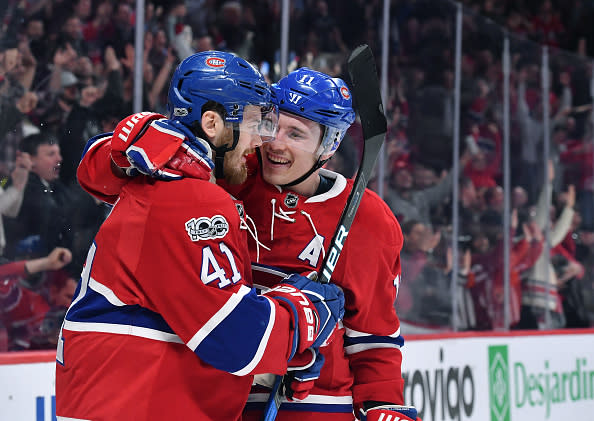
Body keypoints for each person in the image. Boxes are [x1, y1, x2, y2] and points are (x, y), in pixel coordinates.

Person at [77, 66, 417, 420]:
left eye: (296, 134)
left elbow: (373, 338)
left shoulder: (367, 220)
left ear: (328, 145)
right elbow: (96, 180)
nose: (275, 142)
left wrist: (382, 405)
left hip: (314, 407)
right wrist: (135, 146)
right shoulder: (231, 174)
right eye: (272, 124)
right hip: (222, 397)